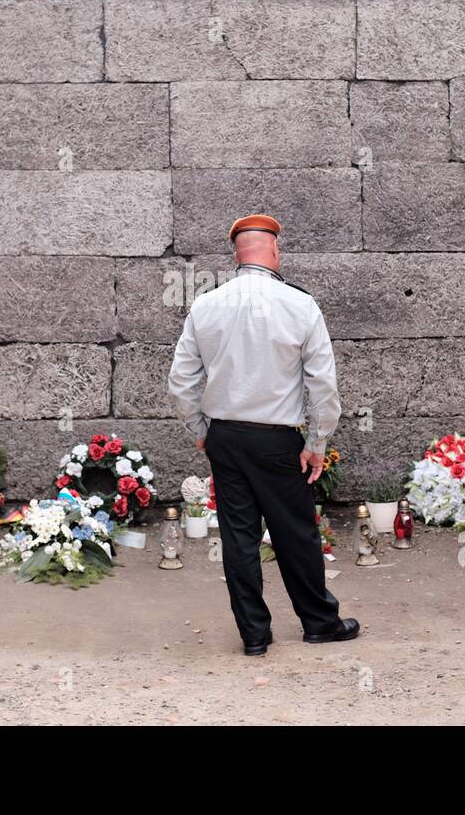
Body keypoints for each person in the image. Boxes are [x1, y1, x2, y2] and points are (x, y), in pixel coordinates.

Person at [167, 213, 360, 656]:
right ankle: (318, 623)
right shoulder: (300, 304)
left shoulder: (206, 305)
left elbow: (180, 383)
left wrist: (200, 429)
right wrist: (317, 442)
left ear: (236, 254)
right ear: (274, 251)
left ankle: (254, 635)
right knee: (295, 533)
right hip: (277, 439)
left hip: (225, 437)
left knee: (238, 537)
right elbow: (323, 386)